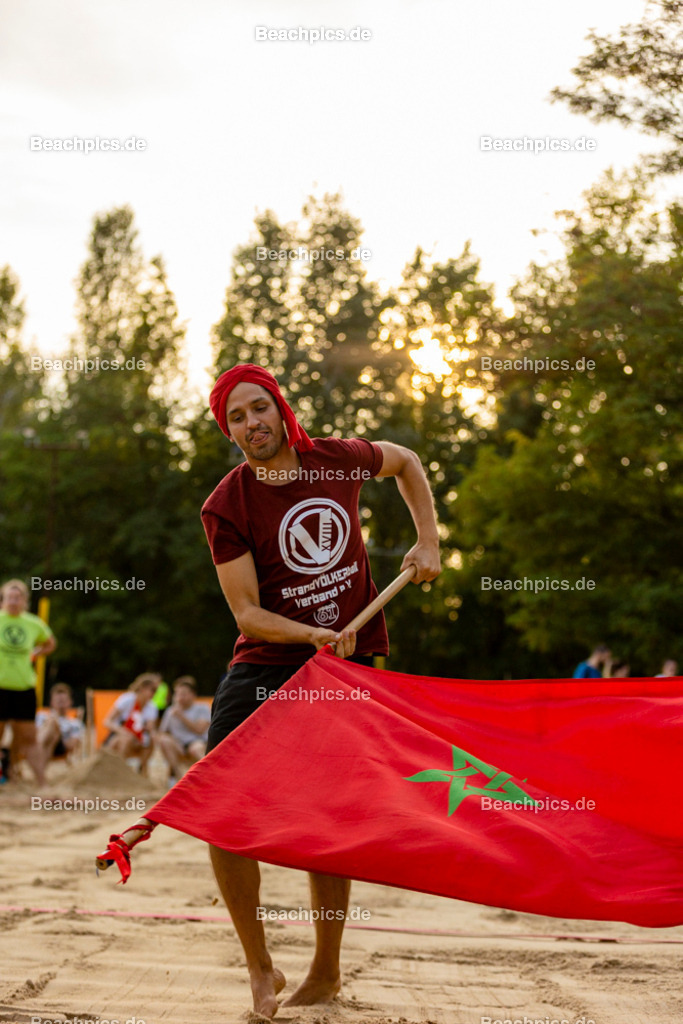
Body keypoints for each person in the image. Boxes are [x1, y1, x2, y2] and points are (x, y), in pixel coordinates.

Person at [201, 363, 441, 1017]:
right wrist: (310, 633)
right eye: (236, 418)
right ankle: (260, 969)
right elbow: (248, 614)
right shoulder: (226, 505)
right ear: (230, 433)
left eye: (259, 408)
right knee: (219, 811)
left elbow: (406, 461)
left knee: (331, 817)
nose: (252, 424)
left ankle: (326, 972)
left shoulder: (336, 459)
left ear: (280, 408)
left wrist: (427, 540)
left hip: (349, 666)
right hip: (266, 667)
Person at [0, 579, 57, 785]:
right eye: (10, 597)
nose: (14, 601)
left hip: (23, 686)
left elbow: (51, 643)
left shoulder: (33, 623)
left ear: (25, 600)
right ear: (3, 600)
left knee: (29, 737)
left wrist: (36, 653)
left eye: (18, 597)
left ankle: (42, 783)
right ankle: (6, 775)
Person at [155, 675, 210, 784]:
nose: (180, 697)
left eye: (183, 694)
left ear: (193, 694)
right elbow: (162, 733)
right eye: (178, 694)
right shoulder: (170, 711)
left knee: (197, 748)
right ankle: (178, 777)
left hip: (196, 743)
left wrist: (181, 716)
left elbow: (200, 730)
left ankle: (207, 776)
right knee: (164, 741)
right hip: (178, 745)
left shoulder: (202, 708)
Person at [102, 673, 160, 775]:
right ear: (142, 688)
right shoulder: (127, 699)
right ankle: (120, 771)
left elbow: (150, 729)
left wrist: (151, 731)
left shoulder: (152, 707)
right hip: (117, 737)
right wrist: (123, 731)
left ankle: (141, 769)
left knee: (150, 740)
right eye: (152, 690)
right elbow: (107, 721)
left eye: (155, 690)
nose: (154, 693)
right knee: (127, 738)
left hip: (137, 739)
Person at [36, 682, 84, 767]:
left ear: (70, 702)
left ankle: (38, 749)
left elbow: (71, 745)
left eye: (63, 701)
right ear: (51, 702)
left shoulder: (75, 723)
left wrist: (56, 731)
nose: (61, 704)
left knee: (52, 722)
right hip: (41, 742)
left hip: (59, 747)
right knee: (51, 721)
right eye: (58, 701)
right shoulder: (41, 716)